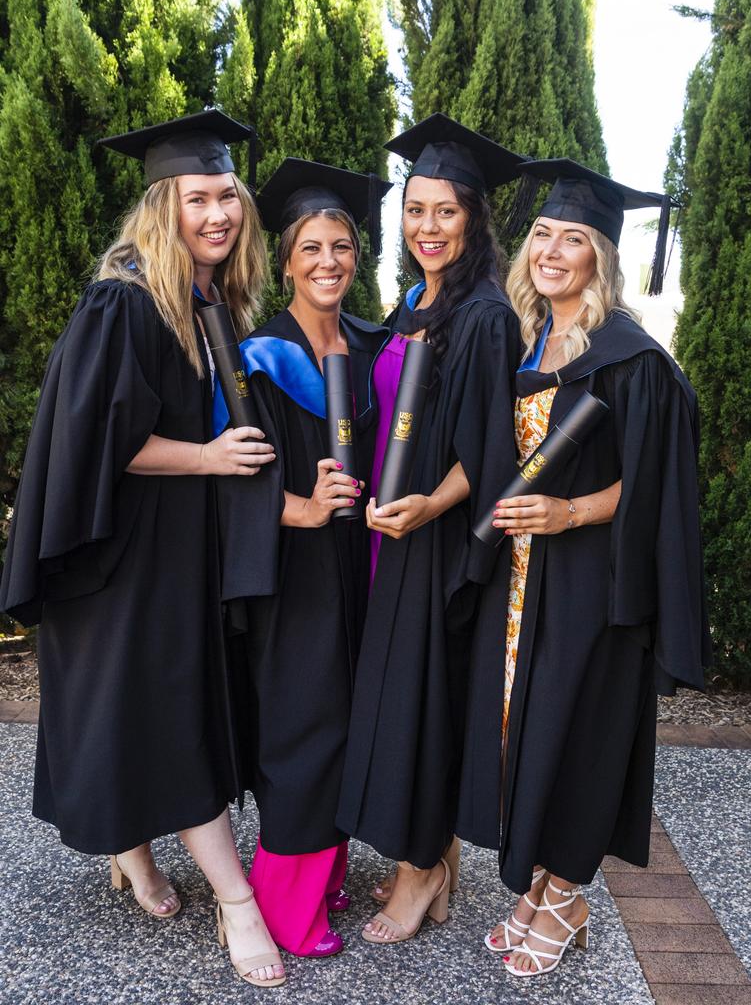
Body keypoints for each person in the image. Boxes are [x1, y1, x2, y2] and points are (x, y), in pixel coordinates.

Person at [0, 111, 286, 989]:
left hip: (168, 550)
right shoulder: (123, 300)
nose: (218, 215)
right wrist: (207, 457)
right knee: (168, 712)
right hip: (119, 555)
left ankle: (135, 858)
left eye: (227, 197)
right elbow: (97, 442)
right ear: (163, 205)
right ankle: (236, 900)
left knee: (139, 708)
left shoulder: (202, 300)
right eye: (198, 198)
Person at [457, 158, 710, 977]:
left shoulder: (631, 356)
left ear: (602, 255)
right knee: (521, 737)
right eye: (541, 234)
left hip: (592, 584)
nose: (552, 251)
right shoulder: (530, 341)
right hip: (521, 585)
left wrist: (569, 511)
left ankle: (567, 897)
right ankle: (536, 887)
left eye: (574, 238)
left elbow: (658, 482)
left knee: (580, 735)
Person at [335, 114, 527, 944]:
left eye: (445, 211)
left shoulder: (484, 315)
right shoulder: (416, 301)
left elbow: (490, 452)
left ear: (475, 217)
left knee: (424, 701)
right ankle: (436, 867)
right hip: (390, 530)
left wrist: (429, 507)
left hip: (436, 539)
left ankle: (421, 876)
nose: (428, 227)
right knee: (416, 696)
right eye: (416, 211)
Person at [213, 158, 392, 958]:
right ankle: (286, 903)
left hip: (363, 561)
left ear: (358, 257)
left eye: (342, 247)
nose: (329, 263)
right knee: (304, 721)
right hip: (290, 569)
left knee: (351, 713)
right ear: (285, 260)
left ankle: (327, 872)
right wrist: (303, 507)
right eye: (312, 248)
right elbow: (227, 477)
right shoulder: (257, 356)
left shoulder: (371, 343)